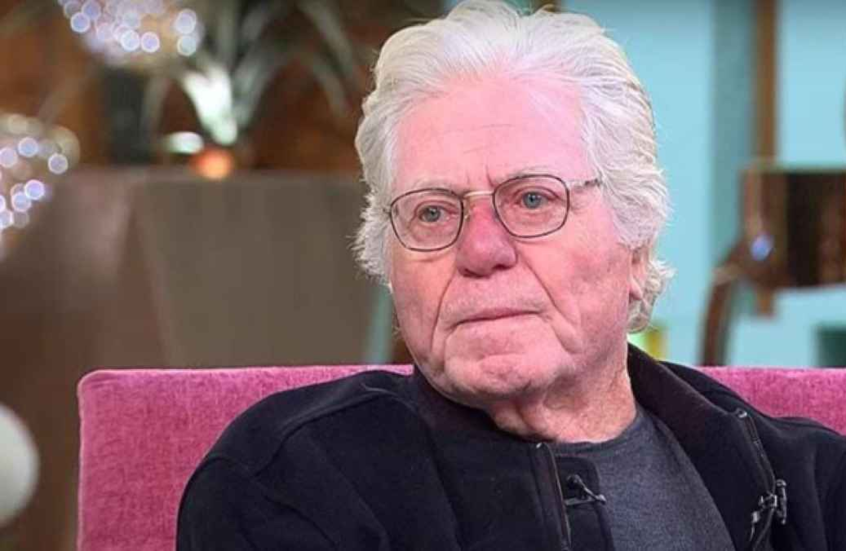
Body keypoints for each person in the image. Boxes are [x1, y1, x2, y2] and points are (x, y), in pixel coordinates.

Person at [177, 2, 846, 549]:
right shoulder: (295, 480)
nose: (480, 249)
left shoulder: (814, 487)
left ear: (636, 244)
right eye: (433, 211)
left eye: (531, 199)